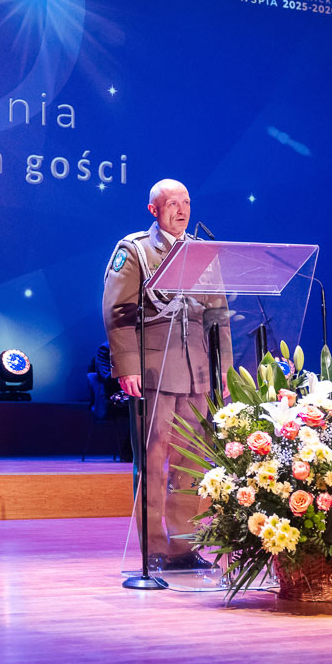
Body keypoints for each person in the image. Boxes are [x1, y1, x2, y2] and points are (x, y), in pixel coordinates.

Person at [102, 178, 230, 571]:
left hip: (196, 373)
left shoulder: (202, 252)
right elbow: (118, 312)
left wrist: (224, 370)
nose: (181, 209)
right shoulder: (135, 250)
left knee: (191, 464)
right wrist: (127, 367)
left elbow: (218, 315)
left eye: (186, 202)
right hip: (155, 371)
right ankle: (154, 549)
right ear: (153, 210)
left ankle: (183, 547)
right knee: (154, 462)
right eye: (172, 203)